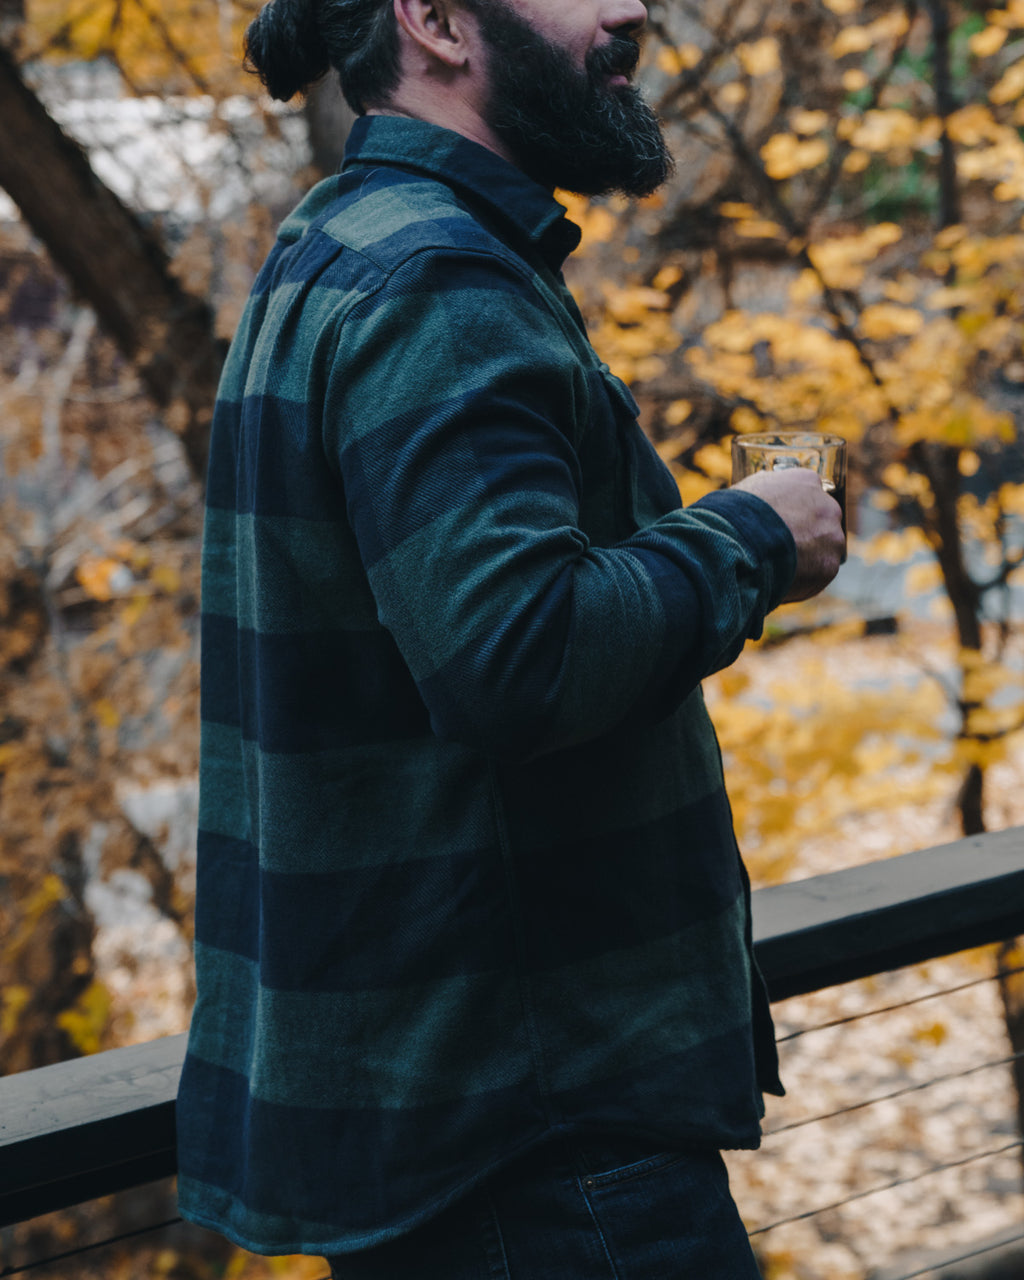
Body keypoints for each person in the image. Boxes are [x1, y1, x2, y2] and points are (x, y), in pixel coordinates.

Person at [174, 0, 845, 1276]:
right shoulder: (438, 278)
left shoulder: (341, 242)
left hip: (462, 1128)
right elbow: (520, 655)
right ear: (432, 19)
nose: (634, 7)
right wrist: (752, 539)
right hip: (541, 1153)